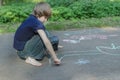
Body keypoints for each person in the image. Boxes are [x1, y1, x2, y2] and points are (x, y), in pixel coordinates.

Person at [13, 2, 61, 66]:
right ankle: (30, 58)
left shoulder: (32, 18)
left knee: (44, 32)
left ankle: (50, 47)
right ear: (38, 15)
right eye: (45, 17)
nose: (46, 20)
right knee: (43, 36)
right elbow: (46, 41)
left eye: (47, 18)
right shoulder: (36, 23)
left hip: (20, 48)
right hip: (23, 51)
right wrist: (55, 58)